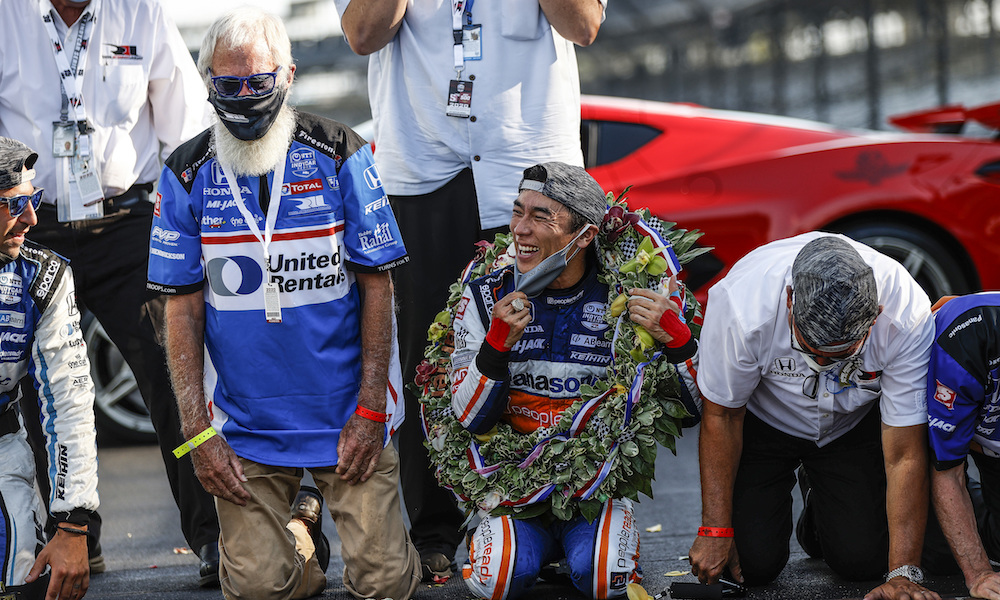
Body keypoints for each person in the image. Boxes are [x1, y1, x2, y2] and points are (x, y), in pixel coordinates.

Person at [148, 9, 420, 600]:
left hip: (346, 417)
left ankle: (315, 526)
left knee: (385, 586)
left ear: (289, 75)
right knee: (260, 591)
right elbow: (180, 310)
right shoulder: (184, 174)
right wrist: (198, 434)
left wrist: (372, 408)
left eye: (259, 82)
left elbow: (378, 285)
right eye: (228, 84)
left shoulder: (340, 151)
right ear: (208, 82)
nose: (244, 97)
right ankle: (301, 535)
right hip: (244, 428)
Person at [331, 0, 607, 581]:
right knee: (426, 360)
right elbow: (362, 33)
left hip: (529, 166)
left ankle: (555, 512)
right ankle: (433, 529)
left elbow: (583, 25)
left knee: (548, 346)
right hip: (422, 168)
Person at [0, 0, 220, 583]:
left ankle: (212, 535)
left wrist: (196, 225)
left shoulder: (140, 11)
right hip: (32, 225)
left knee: (175, 374)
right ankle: (71, 538)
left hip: (127, 223)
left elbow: (188, 129)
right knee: (36, 389)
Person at [448, 162, 695, 599]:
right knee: (494, 581)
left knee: (607, 579)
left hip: (593, 489)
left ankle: (584, 546)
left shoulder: (629, 294)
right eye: (518, 212)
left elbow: (695, 410)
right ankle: (523, 545)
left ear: (583, 236)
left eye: (540, 217)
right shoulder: (486, 294)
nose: (519, 229)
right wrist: (495, 347)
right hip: (511, 486)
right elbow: (469, 418)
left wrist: (678, 341)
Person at [688, 233, 941, 600]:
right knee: (751, 567)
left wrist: (903, 573)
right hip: (762, 419)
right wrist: (715, 530)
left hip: (850, 425)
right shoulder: (742, 305)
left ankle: (819, 505)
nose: (822, 363)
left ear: (876, 316)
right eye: (812, 350)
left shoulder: (907, 313)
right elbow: (722, 416)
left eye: (839, 355)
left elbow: (904, 452)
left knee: (863, 562)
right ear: (790, 300)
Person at [0, 138, 98, 600]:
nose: (32, 219)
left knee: (26, 584)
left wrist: (73, 524)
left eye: (33, 200)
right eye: (15, 204)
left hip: (2, 448)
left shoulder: (43, 277)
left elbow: (69, 401)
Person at [927, 293, 1000, 600]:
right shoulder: (964, 341)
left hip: (990, 438)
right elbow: (947, 470)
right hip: (937, 422)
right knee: (941, 555)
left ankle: (980, 505)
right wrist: (979, 574)